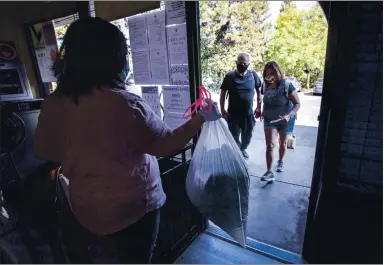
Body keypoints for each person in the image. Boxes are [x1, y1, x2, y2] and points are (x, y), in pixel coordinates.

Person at [34, 17, 221, 264]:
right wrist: (200, 118)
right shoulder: (125, 104)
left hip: (85, 208)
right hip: (134, 209)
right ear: (111, 58)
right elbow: (166, 145)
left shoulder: (52, 104)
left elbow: (45, 151)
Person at [258, 61, 300, 182]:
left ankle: (280, 161)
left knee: (283, 143)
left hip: (286, 119)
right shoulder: (264, 86)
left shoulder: (287, 85)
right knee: (270, 145)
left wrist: (289, 116)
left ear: (278, 73)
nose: (270, 76)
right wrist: (259, 109)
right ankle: (269, 172)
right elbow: (263, 99)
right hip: (270, 120)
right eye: (267, 73)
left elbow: (297, 104)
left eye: (273, 73)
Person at [220, 52, 262, 159]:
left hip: (248, 114)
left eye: (244, 63)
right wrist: (222, 110)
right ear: (236, 62)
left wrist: (258, 107)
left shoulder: (253, 75)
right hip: (233, 114)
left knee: (247, 135)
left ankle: (243, 148)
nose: (242, 65)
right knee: (234, 136)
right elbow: (223, 93)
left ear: (249, 63)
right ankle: (237, 151)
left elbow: (259, 92)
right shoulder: (229, 76)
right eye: (239, 63)